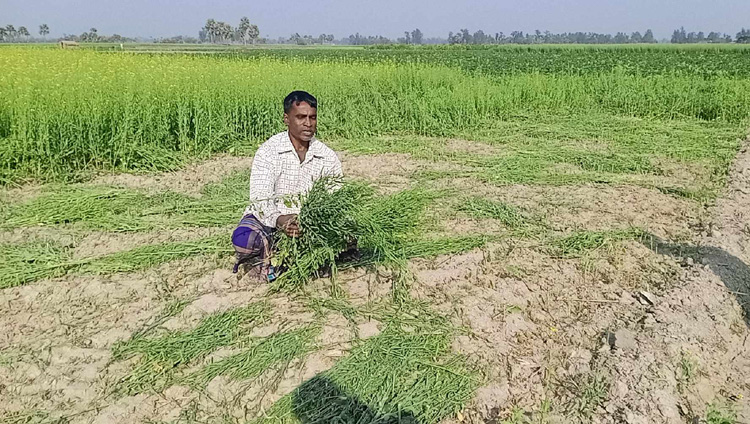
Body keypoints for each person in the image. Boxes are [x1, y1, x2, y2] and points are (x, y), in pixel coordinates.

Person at [232, 91, 343, 280]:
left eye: (312, 117)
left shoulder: (327, 156)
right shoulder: (269, 151)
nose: (308, 123)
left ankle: (284, 260)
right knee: (245, 239)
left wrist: (311, 222)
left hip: (307, 224)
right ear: (286, 119)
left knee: (348, 233)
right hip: (270, 220)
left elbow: (335, 199)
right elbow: (259, 198)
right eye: (301, 117)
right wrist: (280, 220)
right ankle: (270, 256)